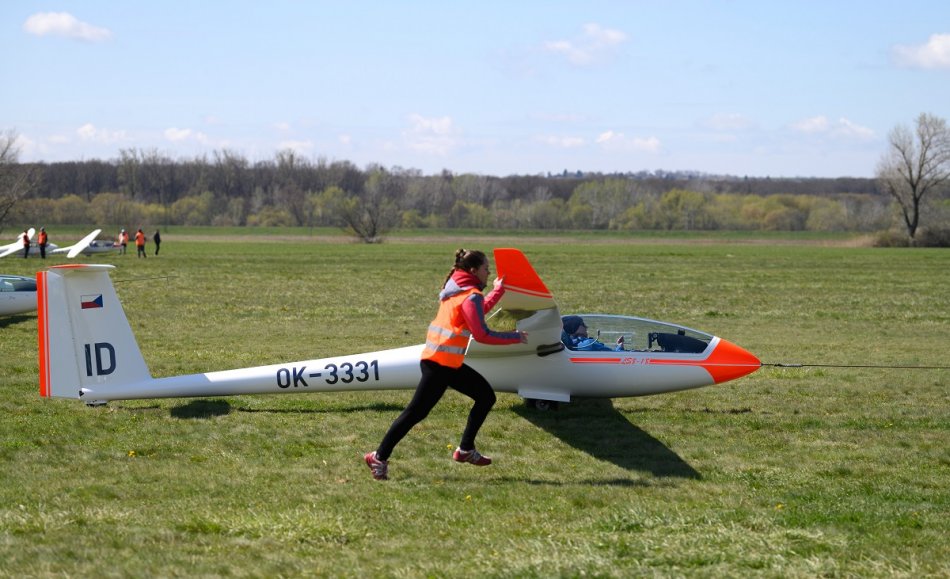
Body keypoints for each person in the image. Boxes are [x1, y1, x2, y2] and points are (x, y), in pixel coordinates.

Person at [365, 249, 529, 481]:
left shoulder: (458, 290)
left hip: (446, 363)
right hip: (439, 365)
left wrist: (497, 290)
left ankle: (465, 450)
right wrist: (514, 337)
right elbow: (481, 334)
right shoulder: (470, 295)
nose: (489, 272)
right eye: (486, 268)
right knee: (415, 413)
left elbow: (477, 313)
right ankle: (378, 457)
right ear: (474, 270)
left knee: (485, 397)